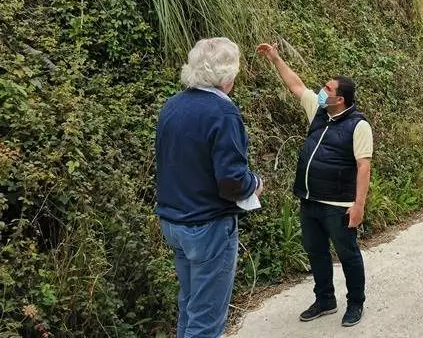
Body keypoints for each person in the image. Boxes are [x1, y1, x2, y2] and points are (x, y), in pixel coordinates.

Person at [256, 42, 373, 328]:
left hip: (338, 205)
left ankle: (355, 302)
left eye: (328, 89)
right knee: (316, 251)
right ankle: (325, 300)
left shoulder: (359, 126)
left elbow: (364, 166)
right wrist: (276, 58)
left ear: (341, 98)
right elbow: (296, 86)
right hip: (309, 201)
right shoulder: (319, 113)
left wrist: (358, 206)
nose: (322, 92)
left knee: (347, 254)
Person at [155, 37, 264, 338]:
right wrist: (254, 184)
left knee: (190, 306)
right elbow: (231, 181)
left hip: (174, 221)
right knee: (206, 321)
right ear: (227, 76)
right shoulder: (223, 112)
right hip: (207, 226)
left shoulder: (172, 106)